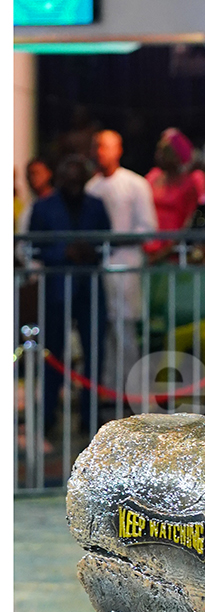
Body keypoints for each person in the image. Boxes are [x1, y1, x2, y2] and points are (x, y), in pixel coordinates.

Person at [29, 154, 111, 434]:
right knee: (53, 353)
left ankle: (90, 416)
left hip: (90, 288)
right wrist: (62, 252)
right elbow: (33, 246)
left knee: (94, 353)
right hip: (57, 289)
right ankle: (48, 413)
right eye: (69, 179)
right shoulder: (43, 207)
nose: (74, 185)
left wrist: (92, 251)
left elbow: (107, 240)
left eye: (79, 180)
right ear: (61, 179)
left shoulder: (96, 205)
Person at [86, 130, 158, 412]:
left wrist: (117, 241)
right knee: (103, 331)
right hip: (98, 268)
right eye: (96, 146)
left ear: (118, 149)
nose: (99, 152)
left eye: (104, 146)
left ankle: (136, 393)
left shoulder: (135, 184)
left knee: (125, 329)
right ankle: (109, 390)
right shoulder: (91, 187)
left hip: (126, 265)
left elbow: (148, 226)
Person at [146, 128, 205, 242]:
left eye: (165, 152)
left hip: (175, 241)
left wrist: (176, 243)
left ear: (176, 154)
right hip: (150, 239)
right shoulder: (152, 177)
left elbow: (191, 218)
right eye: (158, 151)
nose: (159, 156)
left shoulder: (191, 181)